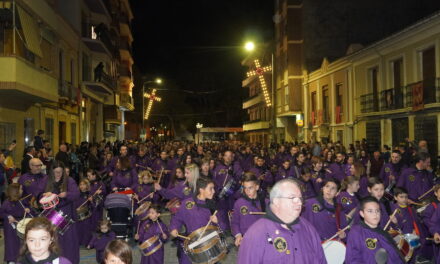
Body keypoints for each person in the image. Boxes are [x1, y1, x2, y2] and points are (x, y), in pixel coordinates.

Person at [238, 178, 326, 263]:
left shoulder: (308, 228)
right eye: (293, 198)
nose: (299, 202)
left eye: (300, 198)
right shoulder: (255, 234)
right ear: (276, 201)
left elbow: (321, 260)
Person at [170, 177, 227, 264]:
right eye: (211, 188)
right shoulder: (187, 203)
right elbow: (177, 219)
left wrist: (217, 222)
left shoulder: (213, 206)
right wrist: (174, 228)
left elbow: (223, 227)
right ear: (201, 190)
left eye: (214, 188)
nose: (214, 191)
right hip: (191, 242)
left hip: (208, 245)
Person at [345, 196, 405, 263]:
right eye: (370, 211)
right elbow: (352, 260)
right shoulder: (356, 232)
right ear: (362, 214)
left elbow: (396, 257)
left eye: (377, 211)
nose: (375, 214)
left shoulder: (384, 233)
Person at [42, 161, 80, 264]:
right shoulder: (46, 180)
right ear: (51, 172)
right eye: (56, 172)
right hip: (51, 215)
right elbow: (39, 197)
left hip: (67, 214)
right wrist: (46, 195)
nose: (58, 174)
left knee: (69, 241)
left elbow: (76, 194)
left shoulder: (69, 180)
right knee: (54, 240)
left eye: (60, 172)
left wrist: (67, 194)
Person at [231, 172, 267, 247]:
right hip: (246, 240)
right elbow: (234, 223)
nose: (247, 191)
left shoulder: (265, 202)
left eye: (250, 188)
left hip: (263, 239)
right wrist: (238, 235)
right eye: (245, 188)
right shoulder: (239, 203)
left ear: (257, 187)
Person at [0, 183, 31, 263]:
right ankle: (11, 261)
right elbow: (1, 213)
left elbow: (25, 211)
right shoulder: (7, 202)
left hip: (19, 224)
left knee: (20, 245)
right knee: (11, 245)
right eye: (20, 189)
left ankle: (19, 260)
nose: (22, 190)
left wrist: (27, 210)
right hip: (10, 227)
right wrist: (8, 216)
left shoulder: (20, 201)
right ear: (15, 191)